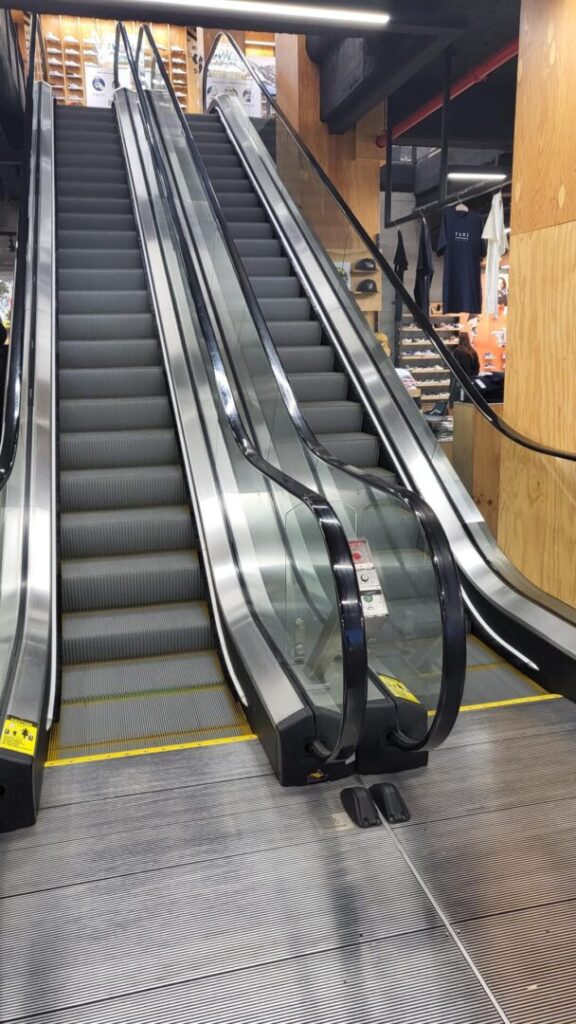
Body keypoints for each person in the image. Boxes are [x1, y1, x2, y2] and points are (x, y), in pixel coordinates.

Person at [450, 331, 480, 407]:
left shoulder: (457, 351)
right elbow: (477, 367)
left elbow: (456, 366)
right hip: (471, 379)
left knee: (458, 400)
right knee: (468, 400)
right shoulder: (473, 351)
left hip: (460, 380)